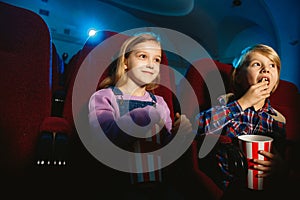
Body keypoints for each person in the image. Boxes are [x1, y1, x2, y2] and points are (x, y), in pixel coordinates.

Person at [88, 32, 192, 200]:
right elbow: (103, 138)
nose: (151, 64)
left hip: (158, 183)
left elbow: (167, 150)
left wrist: (179, 135)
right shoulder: (105, 97)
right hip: (118, 184)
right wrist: (143, 116)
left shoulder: (160, 102)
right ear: (125, 61)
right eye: (143, 56)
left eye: (156, 59)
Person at [194, 44, 288, 199]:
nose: (266, 70)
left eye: (273, 66)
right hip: (227, 186)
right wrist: (243, 103)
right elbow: (198, 126)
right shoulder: (226, 104)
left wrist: (280, 167)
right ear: (238, 76)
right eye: (257, 64)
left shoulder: (277, 120)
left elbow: (279, 155)